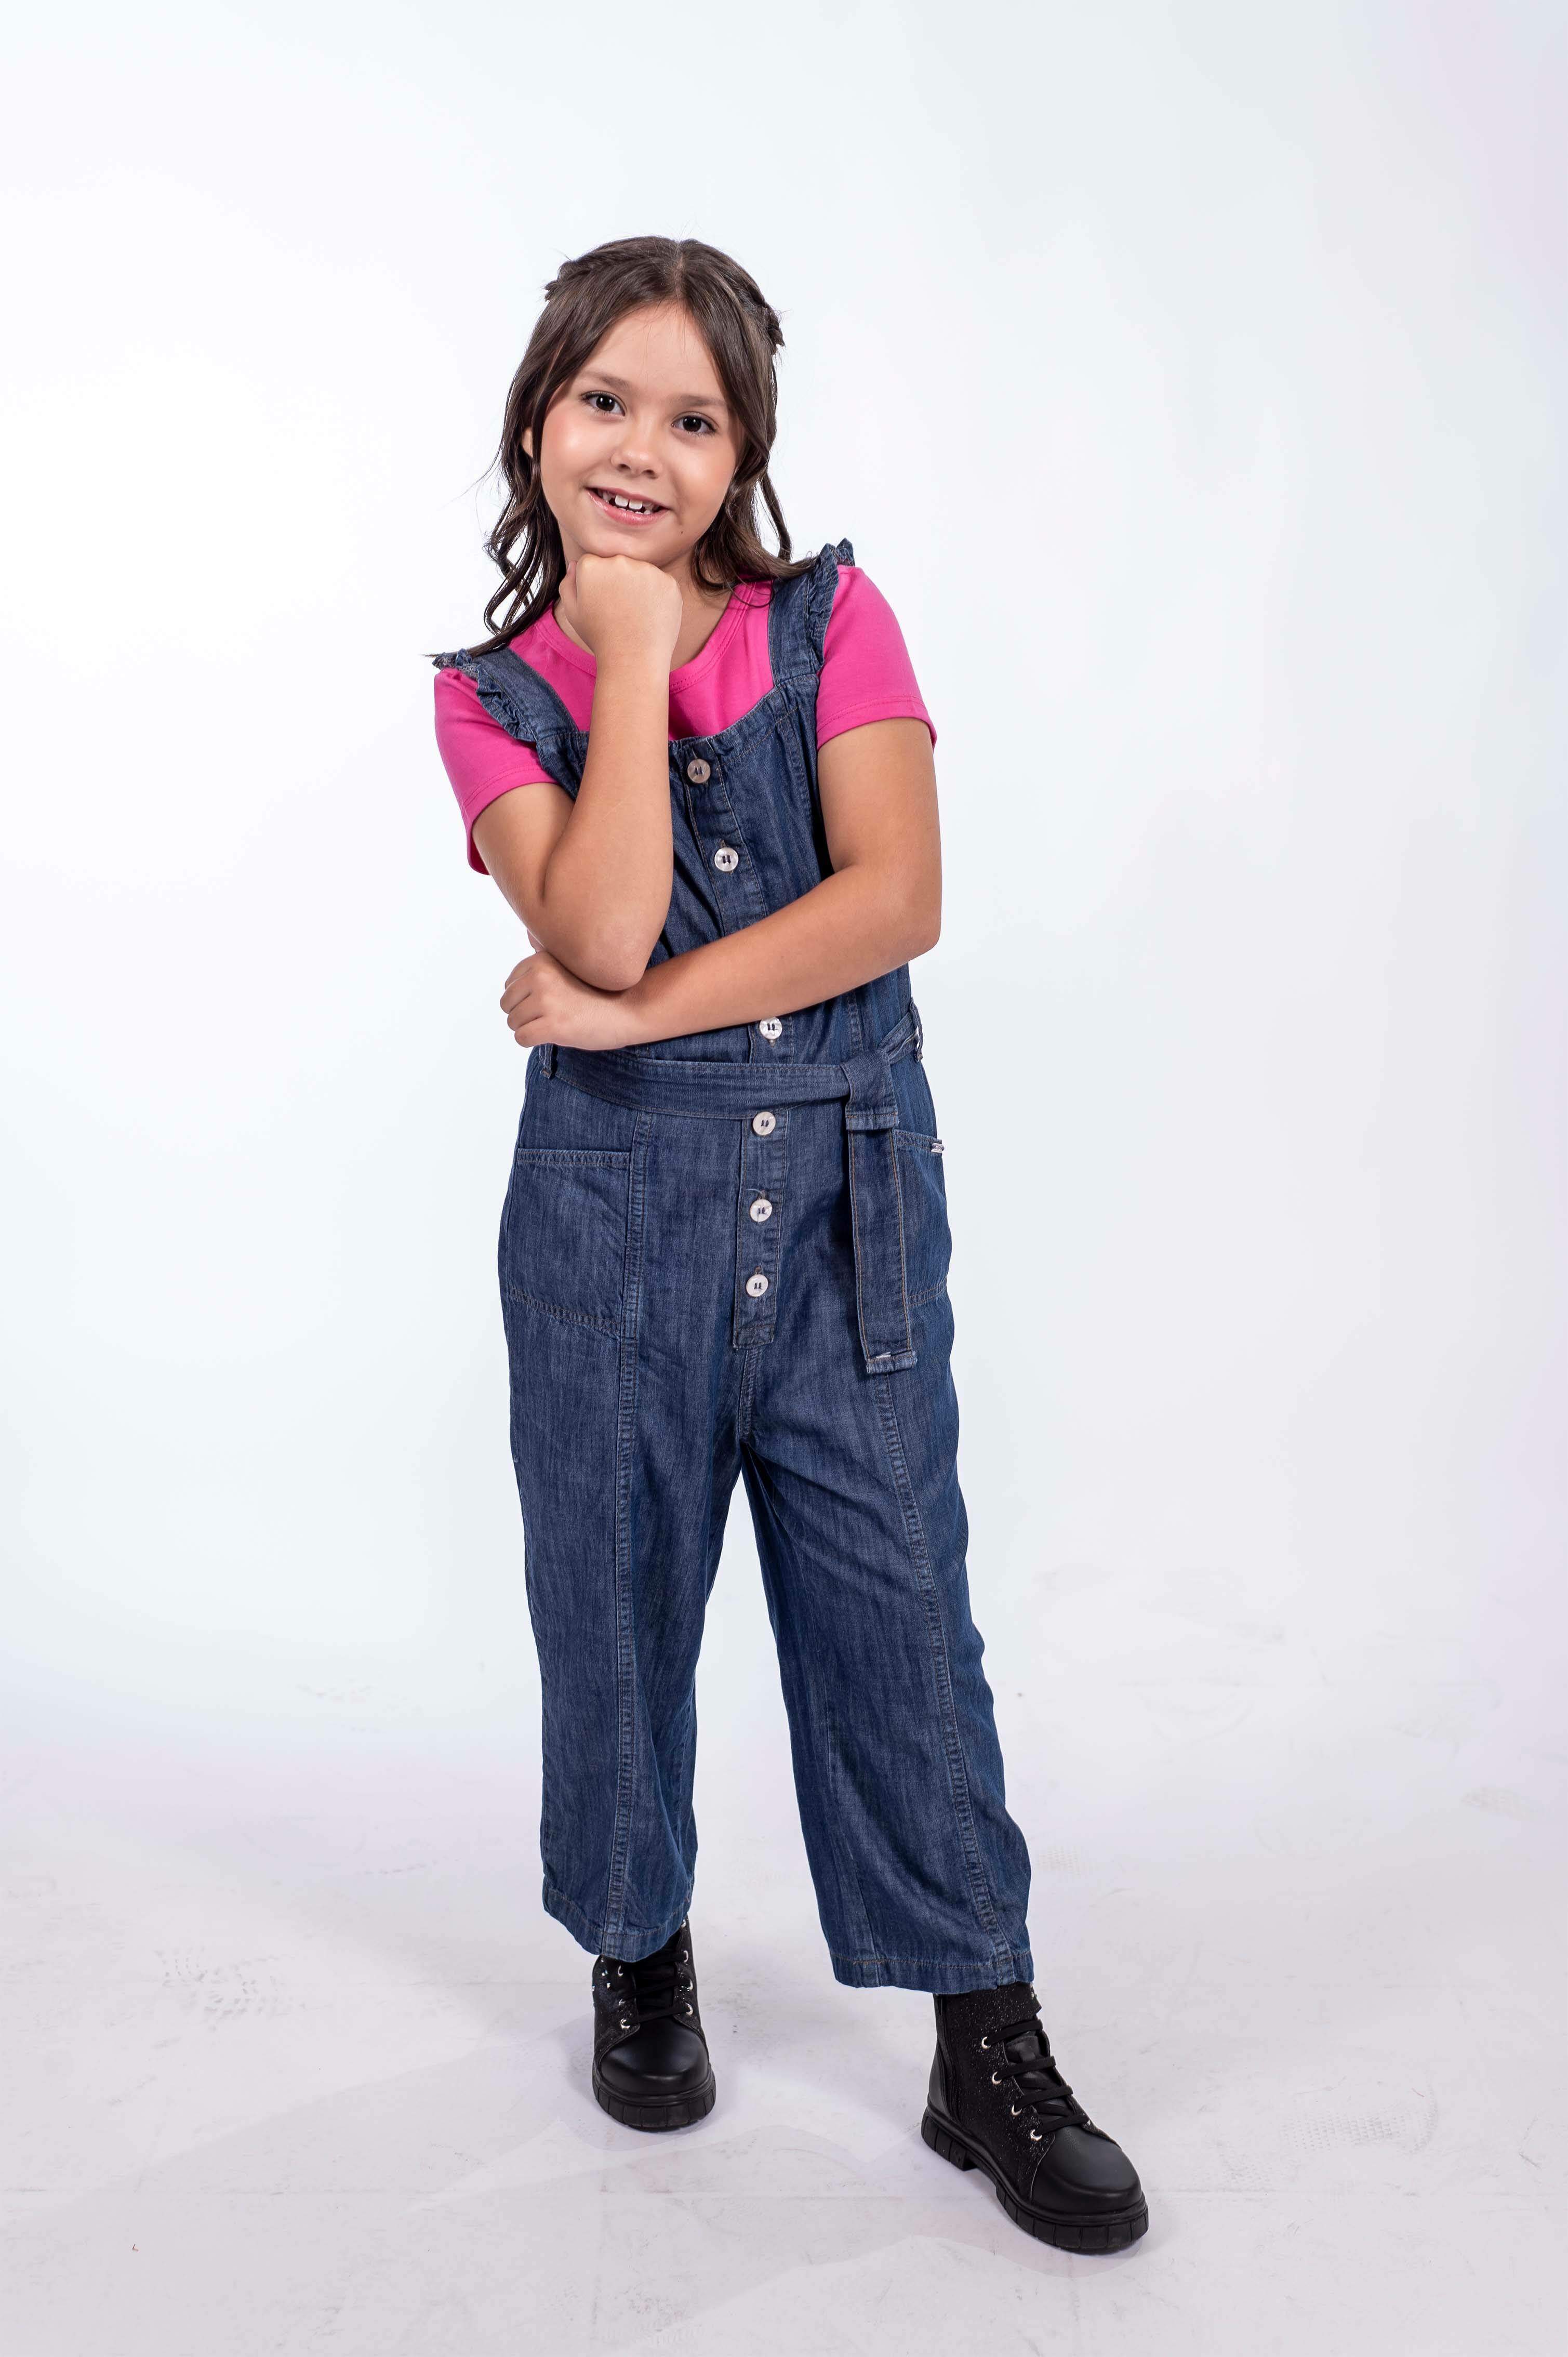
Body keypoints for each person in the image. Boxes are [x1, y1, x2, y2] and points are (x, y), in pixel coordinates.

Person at [431, 234, 1147, 2254]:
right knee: (612, 1600)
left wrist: (637, 1014)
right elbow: (585, 921)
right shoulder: (491, 696)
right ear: (537, 417)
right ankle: (636, 1946)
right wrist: (625, 651)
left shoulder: (833, 621)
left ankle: (983, 2037)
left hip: (844, 1198)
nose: (639, 450)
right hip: (607, 1222)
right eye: (604, 402)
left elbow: (893, 898)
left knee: (897, 1614)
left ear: (742, 452)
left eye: (691, 418)